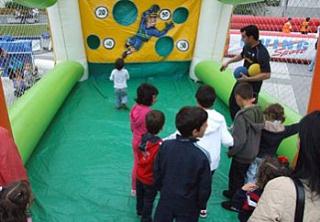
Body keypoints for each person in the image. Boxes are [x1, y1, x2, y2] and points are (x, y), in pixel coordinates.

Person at [248, 111, 320, 221]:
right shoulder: (282, 131)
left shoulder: (282, 187)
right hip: (268, 156)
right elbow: (292, 128)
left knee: (252, 173)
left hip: (259, 156)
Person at [154, 106, 211, 222]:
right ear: (195, 131)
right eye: (205, 125)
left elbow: (157, 171)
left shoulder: (165, 146)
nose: (207, 127)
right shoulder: (202, 156)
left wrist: (161, 188)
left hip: (166, 198)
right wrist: (202, 204)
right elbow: (204, 186)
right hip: (189, 204)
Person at [221, 83, 264, 211]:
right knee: (242, 175)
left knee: (236, 176)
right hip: (253, 151)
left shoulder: (241, 116)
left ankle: (236, 202)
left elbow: (240, 140)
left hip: (242, 153)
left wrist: (231, 152)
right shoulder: (258, 112)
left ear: (238, 98)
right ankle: (233, 192)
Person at [195, 85, 234, 217]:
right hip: (211, 161)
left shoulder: (193, 115)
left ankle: (189, 203)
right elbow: (228, 141)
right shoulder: (220, 118)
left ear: (197, 100)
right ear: (214, 101)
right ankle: (202, 208)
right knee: (205, 184)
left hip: (194, 158)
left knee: (191, 180)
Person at [220, 25, 271, 120]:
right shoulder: (247, 46)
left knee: (249, 109)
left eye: (244, 36)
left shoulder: (262, 53)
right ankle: (236, 124)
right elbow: (242, 55)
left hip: (253, 85)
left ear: (251, 37)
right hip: (242, 80)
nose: (242, 39)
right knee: (233, 102)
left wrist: (248, 79)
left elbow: (267, 74)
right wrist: (228, 62)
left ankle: (249, 129)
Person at [246, 103, 299, 183]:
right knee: (262, 176)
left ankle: (247, 188)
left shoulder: (261, 126)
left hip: (255, 154)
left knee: (250, 172)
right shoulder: (283, 131)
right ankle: (256, 190)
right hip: (268, 159)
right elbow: (296, 127)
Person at [232, 156, 291, 222]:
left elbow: (237, 205)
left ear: (261, 175)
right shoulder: (284, 197)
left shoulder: (254, 194)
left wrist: (242, 191)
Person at [130, 83, 159, 196]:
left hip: (136, 139)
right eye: (155, 97)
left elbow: (132, 127)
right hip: (145, 142)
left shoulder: (135, 108)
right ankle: (143, 186)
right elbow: (151, 128)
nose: (156, 99)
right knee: (145, 164)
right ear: (150, 98)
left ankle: (134, 188)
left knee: (137, 163)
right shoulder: (148, 112)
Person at [136, 110, 165, 222]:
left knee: (140, 195)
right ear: (161, 127)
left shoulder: (142, 139)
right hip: (150, 179)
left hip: (140, 174)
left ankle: (139, 210)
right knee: (149, 200)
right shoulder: (159, 145)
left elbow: (139, 154)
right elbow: (159, 164)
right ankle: (146, 218)